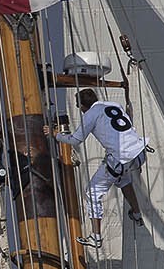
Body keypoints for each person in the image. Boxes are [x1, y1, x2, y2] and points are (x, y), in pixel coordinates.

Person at [57, 88, 149, 247]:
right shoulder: (114, 105)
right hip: (140, 152)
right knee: (123, 180)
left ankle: (96, 237)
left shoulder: (90, 114)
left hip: (121, 158)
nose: (79, 108)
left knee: (92, 192)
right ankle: (136, 213)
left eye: (79, 105)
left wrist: (56, 135)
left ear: (83, 106)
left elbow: (75, 140)